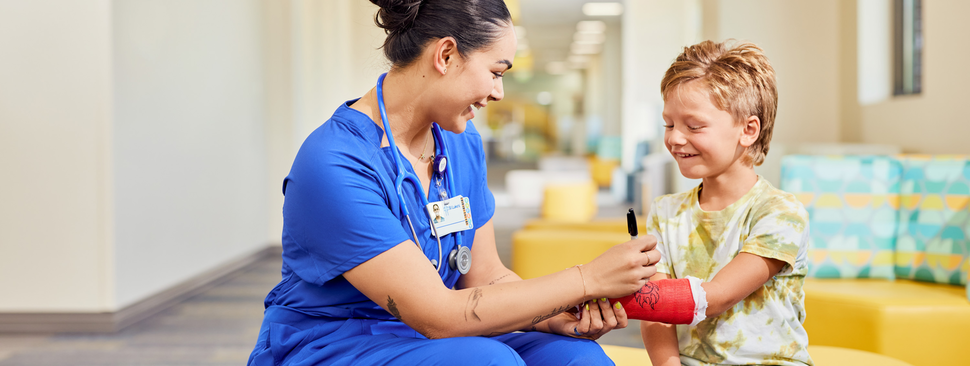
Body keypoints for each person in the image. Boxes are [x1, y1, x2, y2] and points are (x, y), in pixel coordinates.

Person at [246, 1, 661, 365]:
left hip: (432, 333)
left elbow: (485, 276)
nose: (499, 92)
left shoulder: (462, 142)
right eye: (496, 72)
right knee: (489, 361)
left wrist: (555, 315)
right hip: (336, 341)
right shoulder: (335, 163)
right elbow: (437, 315)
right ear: (445, 55)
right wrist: (587, 279)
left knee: (577, 357)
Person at [635, 40, 813, 366]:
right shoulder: (665, 212)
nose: (674, 138)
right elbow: (656, 313)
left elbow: (715, 298)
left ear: (748, 130)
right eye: (669, 124)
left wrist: (602, 297)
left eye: (694, 126)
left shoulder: (780, 213)